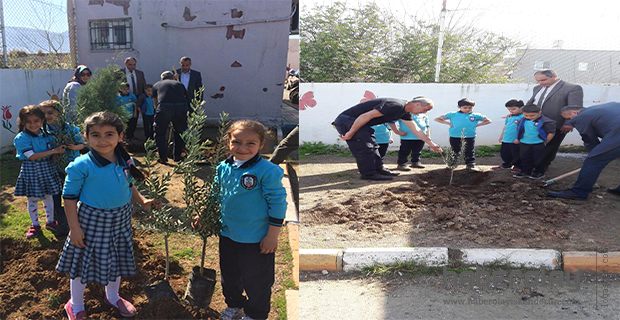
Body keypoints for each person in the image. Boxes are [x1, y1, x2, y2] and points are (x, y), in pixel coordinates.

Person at [56, 111, 153, 319]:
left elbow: (129, 184)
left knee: (115, 260)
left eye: (109, 134)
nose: (102, 140)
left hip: (120, 219)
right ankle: (76, 304)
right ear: (86, 137)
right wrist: (74, 228)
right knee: (83, 264)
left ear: (120, 136)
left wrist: (142, 200)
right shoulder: (81, 165)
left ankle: (112, 295)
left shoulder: (126, 161)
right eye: (96, 135)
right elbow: (69, 199)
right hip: (90, 221)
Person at [216, 120, 287, 320]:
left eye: (250, 143)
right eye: (236, 142)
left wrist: (272, 236)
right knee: (230, 276)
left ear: (261, 144)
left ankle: (255, 313)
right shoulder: (223, 167)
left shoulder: (268, 171)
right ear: (228, 141)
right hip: (228, 234)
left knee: (257, 280)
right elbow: (216, 194)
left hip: (256, 239)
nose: (243, 148)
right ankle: (235, 305)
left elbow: (278, 204)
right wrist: (204, 212)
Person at [333, 97, 442, 181]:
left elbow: (416, 130)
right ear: (417, 104)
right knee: (365, 147)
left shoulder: (404, 112)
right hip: (348, 121)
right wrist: (350, 133)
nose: (424, 113)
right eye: (425, 109)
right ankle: (369, 174)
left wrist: (431, 144)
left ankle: (379, 169)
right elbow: (365, 116)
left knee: (373, 146)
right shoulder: (395, 105)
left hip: (359, 123)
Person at [547, 103, 620, 200]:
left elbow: (589, 138)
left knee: (593, 160)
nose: (570, 122)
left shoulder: (582, 116)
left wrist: (593, 156)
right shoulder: (598, 109)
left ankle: (579, 192)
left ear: (574, 112)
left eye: (569, 118)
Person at [13, 105, 65, 238]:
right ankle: (35, 225)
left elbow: (52, 149)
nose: (33, 124)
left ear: (42, 121)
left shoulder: (45, 135)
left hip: (47, 168)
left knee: (49, 197)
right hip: (32, 169)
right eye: (28, 121)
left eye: (36, 121)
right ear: (23, 122)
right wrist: (54, 151)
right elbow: (32, 156)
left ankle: (50, 221)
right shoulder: (21, 138)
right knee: (33, 199)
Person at [39, 99, 86, 236]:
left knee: (74, 195)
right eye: (43, 113)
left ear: (59, 113)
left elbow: (82, 144)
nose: (46, 116)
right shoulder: (44, 132)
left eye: (50, 112)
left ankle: (79, 221)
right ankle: (60, 224)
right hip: (53, 169)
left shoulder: (70, 128)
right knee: (56, 195)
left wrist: (73, 147)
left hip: (72, 168)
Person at [526, 69, 583, 172]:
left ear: (554, 76)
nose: (540, 83)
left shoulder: (572, 88)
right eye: (538, 81)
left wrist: (569, 123)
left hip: (557, 124)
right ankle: (531, 166)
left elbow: (575, 108)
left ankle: (540, 169)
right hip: (535, 123)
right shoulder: (537, 88)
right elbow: (531, 103)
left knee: (549, 148)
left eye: (543, 80)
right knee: (535, 145)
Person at [434, 98, 491, 170]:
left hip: (469, 136)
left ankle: (470, 164)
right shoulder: (452, 114)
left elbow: (488, 121)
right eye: (465, 108)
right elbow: (437, 119)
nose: (467, 109)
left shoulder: (476, 115)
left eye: (470, 108)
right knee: (455, 150)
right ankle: (453, 164)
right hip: (455, 136)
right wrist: (448, 123)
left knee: (469, 150)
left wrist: (477, 125)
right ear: (459, 107)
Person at [152, 71, 190, 163]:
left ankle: (163, 158)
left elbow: (155, 101)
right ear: (173, 77)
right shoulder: (179, 84)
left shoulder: (157, 84)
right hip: (181, 108)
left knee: (160, 133)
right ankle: (177, 157)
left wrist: (157, 111)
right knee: (179, 133)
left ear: (162, 78)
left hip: (164, 108)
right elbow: (185, 96)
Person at [513, 104, 556, 179]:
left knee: (538, 159)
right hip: (524, 142)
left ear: (539, 113)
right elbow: (519, 129)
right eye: (526, 115)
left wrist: (546, 141)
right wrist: (518, 138)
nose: (529, 117)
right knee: (524, 157)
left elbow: (551, 132)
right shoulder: (522, 120)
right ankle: (525, 171)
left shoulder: (546, 121)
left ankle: (539, 172)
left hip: (538, 143)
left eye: (532, 116)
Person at [498, 99, 524, 171]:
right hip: (506, 138)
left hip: (515, 140)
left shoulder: (523, 117)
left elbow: (523, 129)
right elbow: (505, 127)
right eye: (509, 109)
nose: (511, 111)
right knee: (504, 152)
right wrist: (501, 136)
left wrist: (519, 138)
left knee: (516, 153)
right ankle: (507, 164)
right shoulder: (509, 117)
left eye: (514, 109)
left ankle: (517, 166)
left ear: (521, 108)